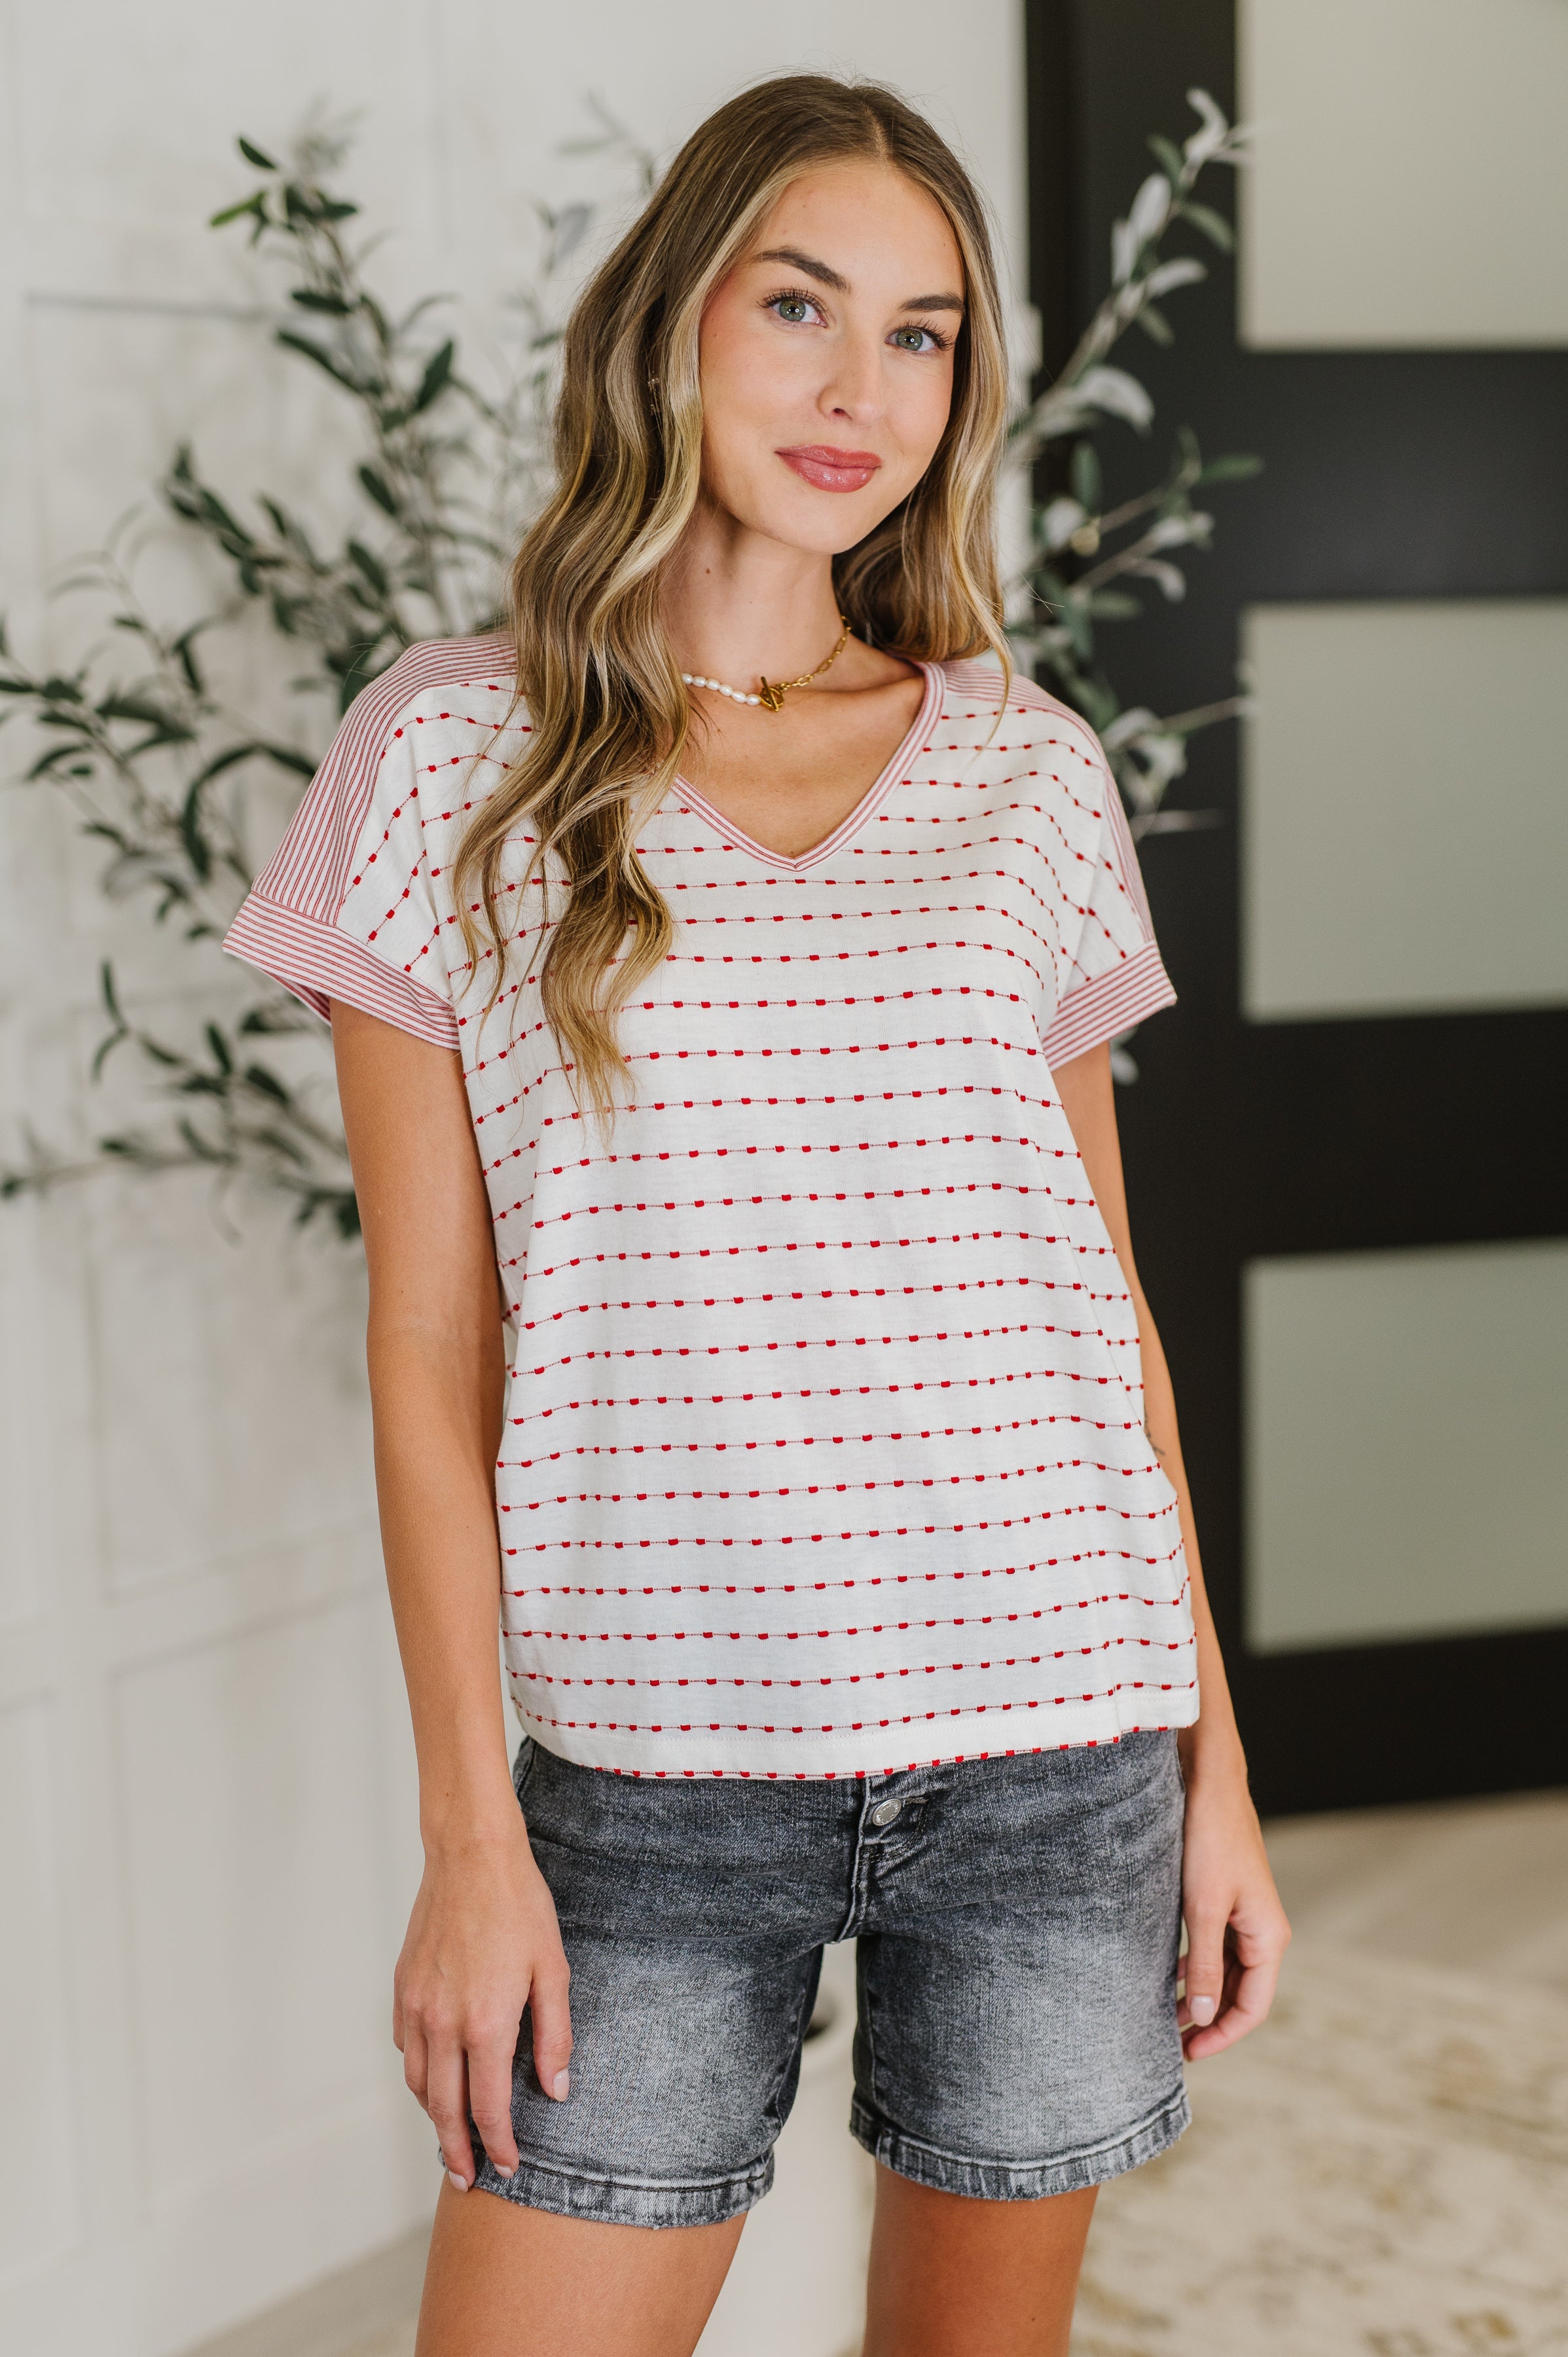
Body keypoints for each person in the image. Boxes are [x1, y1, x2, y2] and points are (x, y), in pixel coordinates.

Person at [226, 72, 1290, 2357]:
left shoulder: (1025, 764)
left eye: (921, 337)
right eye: (797, 304)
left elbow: (1099, 1315)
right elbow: (432, 1351)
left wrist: (1214, 1769)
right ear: (669, 321)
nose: (854, 386)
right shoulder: (446, 759)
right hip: (644, 1772)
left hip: (1050, 1736)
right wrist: (469, 1844)